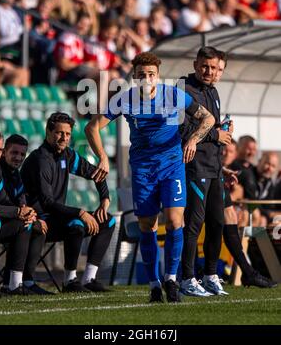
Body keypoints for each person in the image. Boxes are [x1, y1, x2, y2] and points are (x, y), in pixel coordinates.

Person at [85, 51, 215, 303]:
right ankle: (154, 284)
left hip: (172, 166)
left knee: (176, 221)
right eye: (142, 75)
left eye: (151, 75)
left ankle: (171, 279)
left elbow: (207, 118)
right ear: (134, 77)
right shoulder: (125, 99)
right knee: (148, 226)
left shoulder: (173, 95)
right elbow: (92, 127)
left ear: (158, 76)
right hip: (143, 170)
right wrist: (102, 156)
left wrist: (192, 140)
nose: (147, 79)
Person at [21, 112, 115, 293]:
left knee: (108, 220)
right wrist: (80, 212)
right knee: (76, 223)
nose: (64, 138)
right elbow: (47, 203)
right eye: (59, 133)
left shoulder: (67, 155)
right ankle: (70, 281)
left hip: (57, 217)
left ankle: (89, 279)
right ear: (48, 132)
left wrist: (105, 198)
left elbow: (98, 173)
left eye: (68, 134)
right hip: (38, 220)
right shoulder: (40, 159)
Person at [214, 53, 277, 288]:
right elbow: (242, 193)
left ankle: (241, 271)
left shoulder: (249, 170)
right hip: (199, 179)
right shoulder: (239, 166)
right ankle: (216, 272)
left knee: (234, 219)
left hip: (220, 186)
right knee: (237, 220)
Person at [179, 46, 232, 297]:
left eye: (214, 68)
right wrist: (216, 134)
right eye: (204, 66)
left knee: (217, 222)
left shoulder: (213, 91)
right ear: (195, 64)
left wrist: (223, 159)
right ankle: (187, 278)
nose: (209, 71)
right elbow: (186, 128)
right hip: (194, 165)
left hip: (214, 166)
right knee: (193, 224)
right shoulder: (184, 90)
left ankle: (210, 275)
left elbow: (214, 129)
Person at [0, 128, 35, 297]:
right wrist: (15, 211)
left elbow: (2, 198)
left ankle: (13, 284)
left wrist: (25, 212)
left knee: (24, 224)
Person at [0, 134, 52, 295]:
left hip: (7, 221)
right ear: (4, 153)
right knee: (25, 225)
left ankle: (26, 281)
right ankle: (12, 283)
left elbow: (22, 202)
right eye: (14, 153)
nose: (18, 157)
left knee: (39, 226)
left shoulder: (16, 174)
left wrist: (30, 214)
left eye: (22, 154)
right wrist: (21, 213)